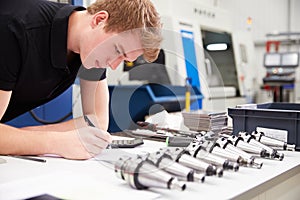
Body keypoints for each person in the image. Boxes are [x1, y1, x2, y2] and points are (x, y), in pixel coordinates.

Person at [0, 0, 162, 160]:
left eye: (124, 59)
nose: (113, 65)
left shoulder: (93, 48)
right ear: (99, 20)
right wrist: (53, 142)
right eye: (118, 50)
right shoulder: (14, 28)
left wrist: (20, 138)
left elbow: (96, 122)